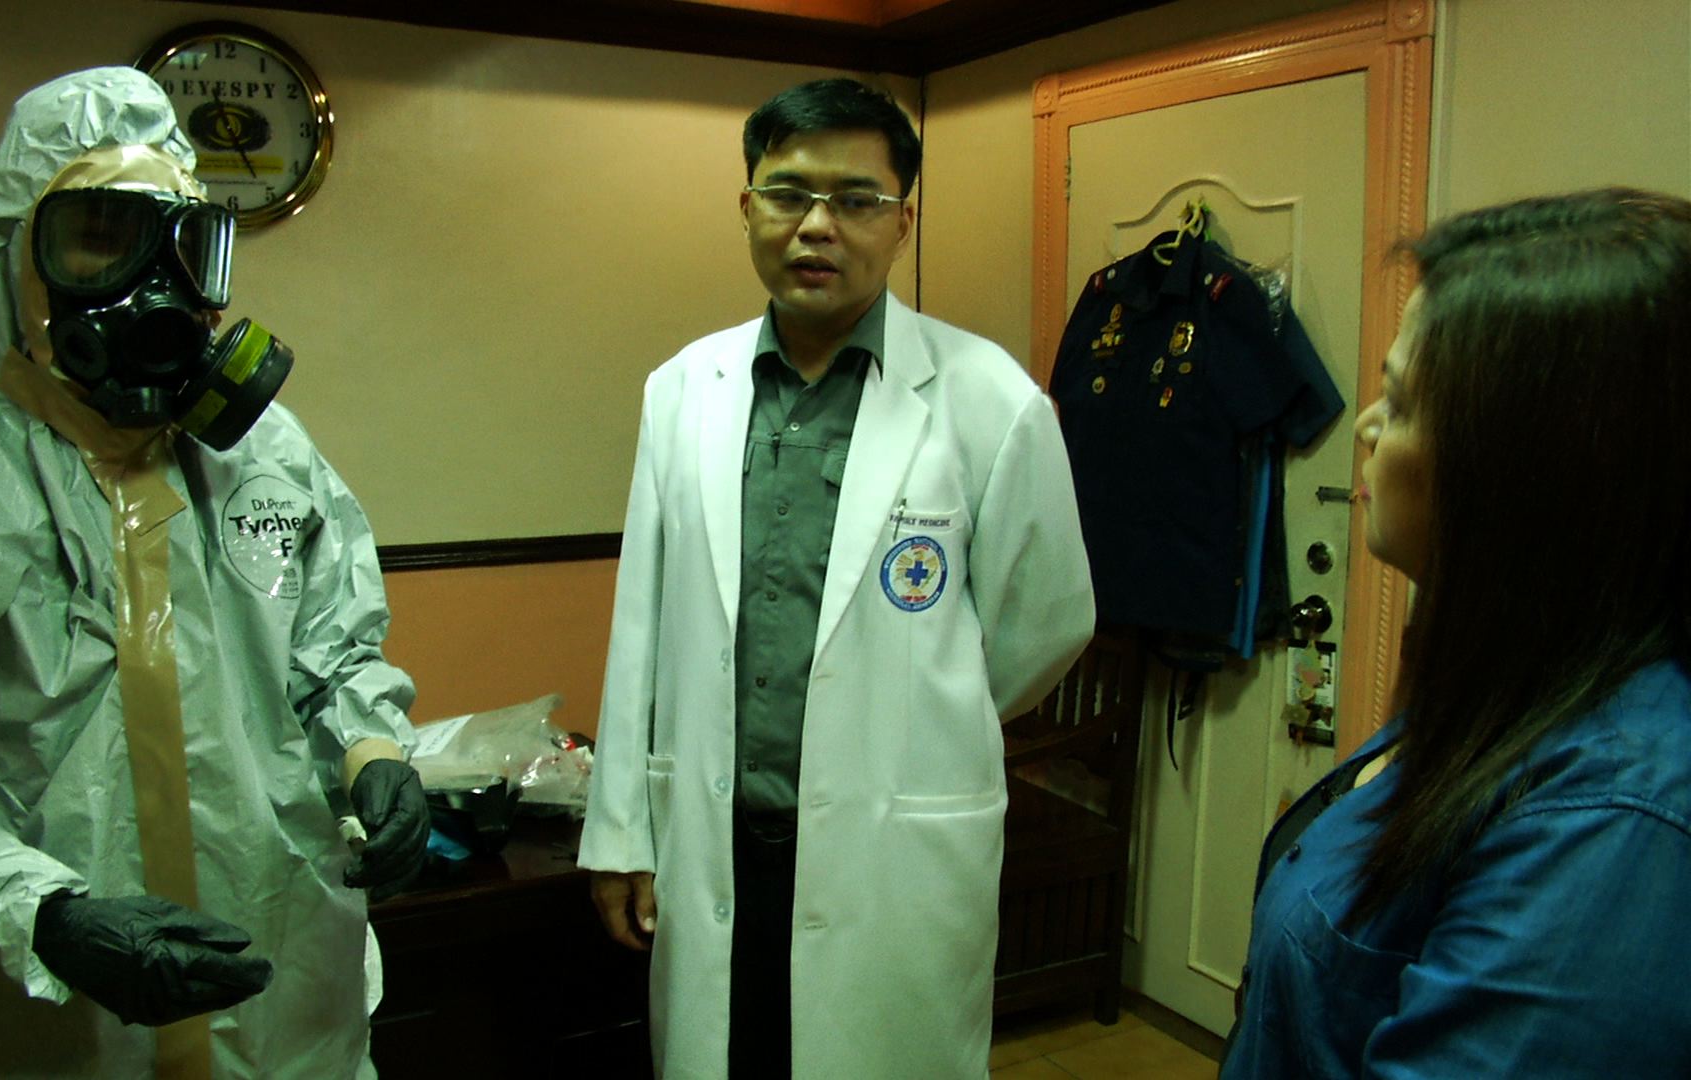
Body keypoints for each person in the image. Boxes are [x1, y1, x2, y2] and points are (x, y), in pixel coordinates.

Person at [0, 68, 431, 1078]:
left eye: (185, 245)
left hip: (286, 1015)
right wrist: (41, 916)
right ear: (17, 260)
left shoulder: (265, 456)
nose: (155, 286)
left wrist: (373, 751)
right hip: (32, 1033)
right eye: (98, 239)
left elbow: (333, 653)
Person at [577, 78, 1096, 1078]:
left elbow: (1046, 623)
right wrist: (620, 832)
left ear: (903, 223)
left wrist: (912, 712)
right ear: (747, 208)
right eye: (788, 194)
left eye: (857, 199)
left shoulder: (990, 400)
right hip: (715, 836)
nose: (817, 226)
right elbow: (641, 625)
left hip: (893, 841)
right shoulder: (682, 390)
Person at [1221, 188, 1691, 1077]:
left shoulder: (1612, 819)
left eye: (1399, 403)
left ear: (1526, 464)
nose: (1366, 427)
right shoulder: (1511, 682)